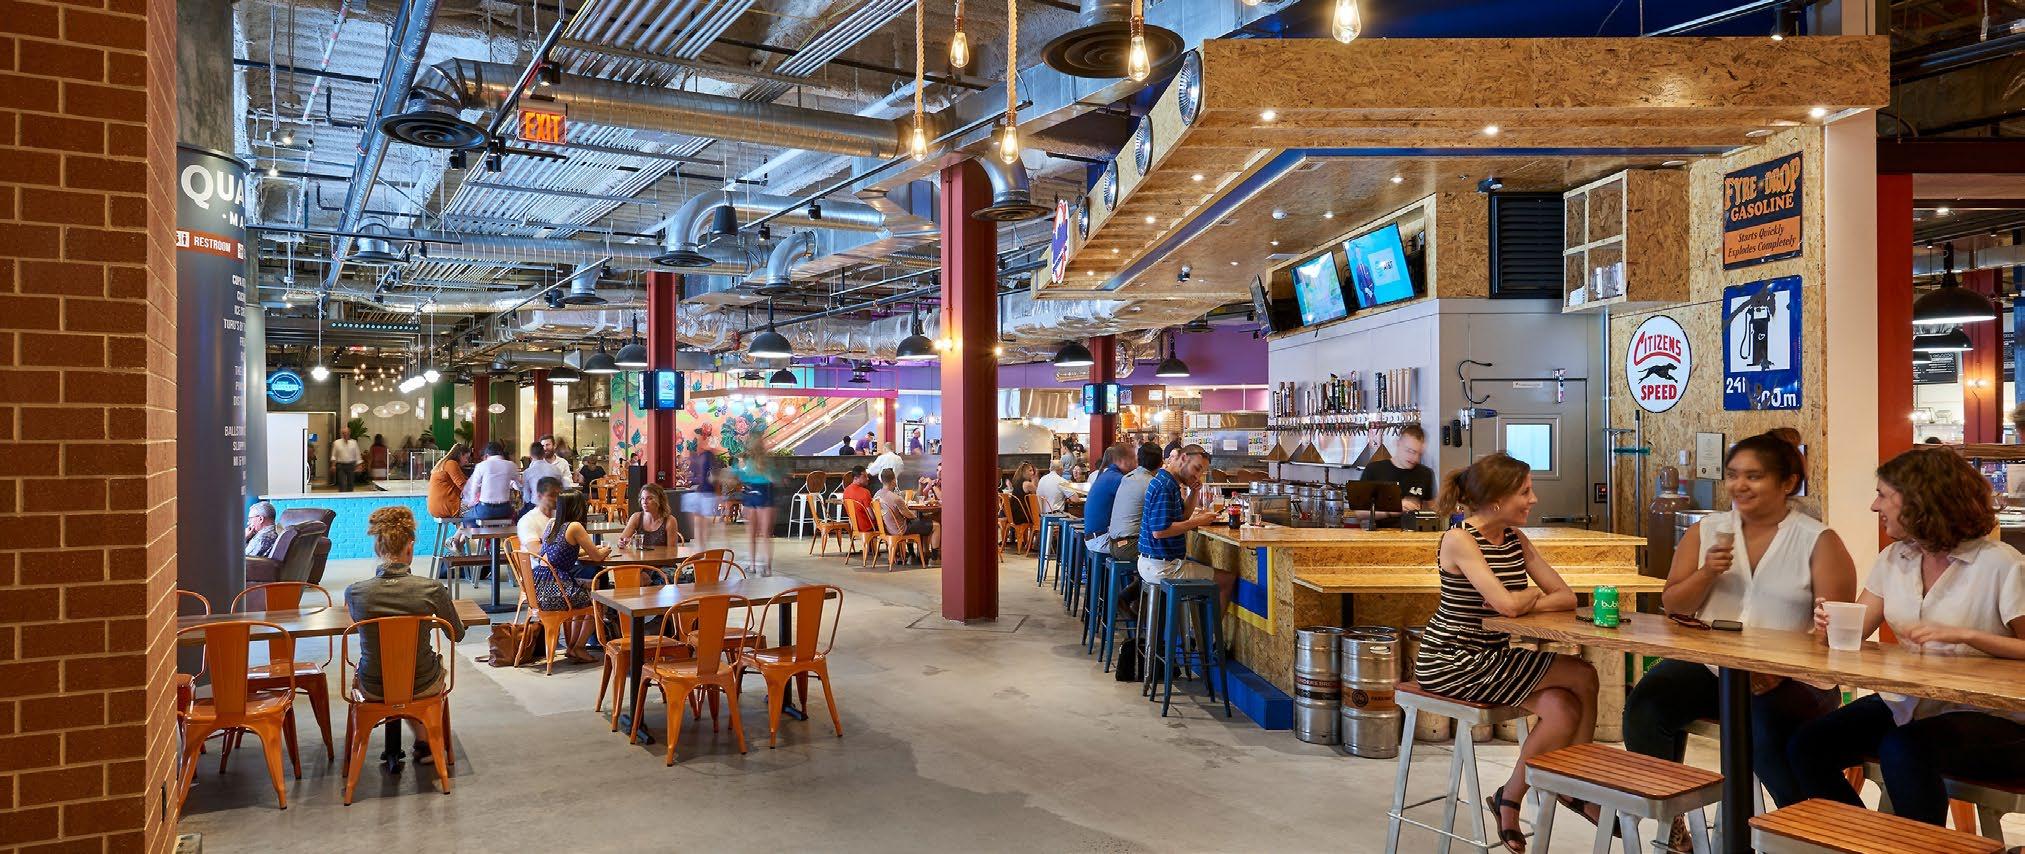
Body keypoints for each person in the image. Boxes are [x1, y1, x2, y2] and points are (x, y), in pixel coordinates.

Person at [1623, 432, 1855, 826]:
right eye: (1732, 475)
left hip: (1793, 678)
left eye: (1754, 476)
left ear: (1787, 483)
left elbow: (1833, 634)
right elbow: (1674, 605)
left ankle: (1810, 831)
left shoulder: (1818, 541)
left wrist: (1778, 669)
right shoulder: (1707, 531)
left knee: (1763, 733)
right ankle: (1671, 821)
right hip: (1717, 668)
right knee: (1648, 703)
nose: (1739, 485)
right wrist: (1707, 572)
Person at [1786, 447, 2025, 828]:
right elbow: (1855, 630)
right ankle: (1861, 842)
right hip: (1911, 702)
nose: (1874, 506)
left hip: (1993, 716)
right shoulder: (1895, 558)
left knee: (1903, 749)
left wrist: (1968, 635)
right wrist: (1827, 625)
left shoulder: (2000, 563)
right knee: (1807, 744)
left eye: (1883, 495)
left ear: (1920, 499)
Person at [1415, 453, 1598, 852]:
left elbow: (1566, 596)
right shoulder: (1460, 539)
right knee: (1583, 675)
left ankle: (1508, 798)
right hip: (1452, 658)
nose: (1534, 499)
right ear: (1497, 499)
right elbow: (1507, 606)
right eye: (1525, 492)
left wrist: (1524, 598)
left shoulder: (1515, 539)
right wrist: (1525, 597)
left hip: (1493, 656)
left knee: (1563, 707)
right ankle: (1578, 786)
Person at [344, 506, 465, 764]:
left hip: (373, 684)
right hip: (421, 682)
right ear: (410, 548)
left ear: (377, 548)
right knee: (417, 670)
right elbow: (457, 634)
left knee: (393, 669)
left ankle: (418, 742)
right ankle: (427, 741)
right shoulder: (431, 589)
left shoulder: (355, 593)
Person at [1136, 444, 1236, 605]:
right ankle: (1206, 624)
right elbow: (1160, 532)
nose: (1198, 476)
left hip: (1157, 562)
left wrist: (1194, 492)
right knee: (1226, 580)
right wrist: (1199, 521)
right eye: (1196, 469)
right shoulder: (1165, 486)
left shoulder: (1169, 482)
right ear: (1183, 458)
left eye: (1202, 473)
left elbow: (1182, 517)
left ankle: (1194, 621)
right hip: (1162, 567)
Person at [532, 491, 605, 663]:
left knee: (582, 596)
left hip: (538, 588)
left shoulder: (551, 523)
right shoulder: (575, 527)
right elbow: (596, 557)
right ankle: (578, 647)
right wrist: (606, 550)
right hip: (556, 590)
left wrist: (584, 552)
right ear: (578, 507)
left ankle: (573, 647)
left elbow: (559, 550)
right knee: (598, 602)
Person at [1360, 425, 1437, 525]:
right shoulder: (1374, 470)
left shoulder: (1426, 473)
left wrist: (1423, 509)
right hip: (1381, 533)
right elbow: (1360, 512)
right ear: (1398, 443)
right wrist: (1393, 509)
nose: (1415, 458)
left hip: (1415, 533)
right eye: (1410, 451)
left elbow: (1432, 508)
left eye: (1419, 454)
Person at [1083, 444, 1135, 558]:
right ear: (1122, 461)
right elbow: (1137, 501)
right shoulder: (1117, 479)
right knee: (1147, 545)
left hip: (1094, 536)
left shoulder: (1107, 475)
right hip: (1101, 539)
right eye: (1133, 458)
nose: (1136, 463)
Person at [736, 440, 780, 575]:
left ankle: (752, 566)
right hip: (766, 494)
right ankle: (768, 568)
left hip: (751, 495)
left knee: (751, 535)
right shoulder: (768, 463)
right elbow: (775, 480)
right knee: (766, 535)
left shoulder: (747, 463)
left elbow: (741, 479)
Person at [874, 469, 939, 557]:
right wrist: (916, 518)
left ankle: (913, 556)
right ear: (894, 481)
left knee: (918, 523)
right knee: (936, 526)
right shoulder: (895, 498)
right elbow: (909, 515)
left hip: (886, 529)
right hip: (900, 530)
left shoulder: (876, 495)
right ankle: (934, 559)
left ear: (882, 480)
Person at [461, 441, 519, 522]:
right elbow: (519, 485)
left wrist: (472, 502)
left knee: (467, 518)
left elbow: (474, 488)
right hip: (505, 510)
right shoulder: (511, 465)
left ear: (487, 455)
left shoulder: (482, 465)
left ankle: (477, 530)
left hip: (485, 509)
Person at [618, 483, 684, 549]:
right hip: (640, 555)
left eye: (649, 498)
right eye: (642, 498)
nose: (644, 502)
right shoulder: (636, 517)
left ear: (660, 500)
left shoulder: (670, 521)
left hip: (662, 556)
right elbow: (622, 540)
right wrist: (621, 543)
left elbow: (672, 551)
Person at [682, 445, 722, 551]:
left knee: (702, 524)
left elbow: (714, 480)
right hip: (703, 493)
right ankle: (701, 548)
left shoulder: (706, 458)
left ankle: (702, 548)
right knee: (700, 524)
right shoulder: (703, 459)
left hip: (706, 494)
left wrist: (718, 496)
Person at [520, 440, 569, 520]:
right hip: (554, 506)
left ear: (531, 455)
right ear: (543, 454)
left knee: (521, 515)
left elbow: (526, 496)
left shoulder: (527, 472)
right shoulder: (555, 469)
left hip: (535, 506)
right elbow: (564, 487)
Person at [426, 443, 471, 523]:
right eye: (466, 457)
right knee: (479, 510)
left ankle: (460, 531)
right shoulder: (451, 464)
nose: (467, 461)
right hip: (447, 506)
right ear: (460, 455)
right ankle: (465, 531)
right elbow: (463, 485)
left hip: (435, 507)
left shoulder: (443, 464)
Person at [516, 477, 564, 551]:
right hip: (537, 558)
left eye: (559, 495)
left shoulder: (561, 515)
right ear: (539, 496)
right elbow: (535, 549)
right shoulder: (527, 520)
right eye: (551, 495)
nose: (556, 499)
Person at [840, 466, 876, 533]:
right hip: (868, 527)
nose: (867, 478)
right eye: (864, 476)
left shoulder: (846, 491)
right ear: (856, 478)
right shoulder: (865, 492)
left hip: (854, 527)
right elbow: (872, 517)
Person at [331, 428, 362, 492]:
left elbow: (357, 455)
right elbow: (334, 455)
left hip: (351, 465)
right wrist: (333, 465)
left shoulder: (354, 442)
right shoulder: (337, 443)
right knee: (342, 483)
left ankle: (350, 496)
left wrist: (359, 465)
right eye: (343, 433)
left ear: (349, 433)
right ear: (341, 434)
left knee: (351, 484)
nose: (345, 434)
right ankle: (342, 496)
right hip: (340, 465)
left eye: (347, 433)